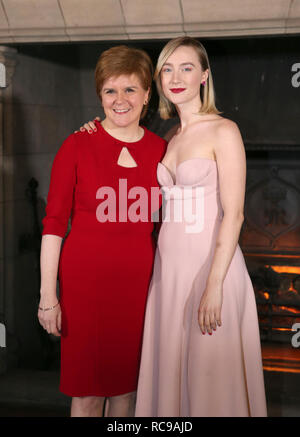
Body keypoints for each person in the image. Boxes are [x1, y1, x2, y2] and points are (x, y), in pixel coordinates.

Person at [81, 36, 267, 417]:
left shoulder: (223, 130)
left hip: (211, 273)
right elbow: (121, 150)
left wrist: (213, 286)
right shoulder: (168, 138)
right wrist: (93, 129)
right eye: (167, 68)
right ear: (160, 81)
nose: (176, 76)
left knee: (210, 383)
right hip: (168, 278)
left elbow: (234, 215)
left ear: (204, 76)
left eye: (186, 67)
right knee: (173, 382)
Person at [38, 45, 166, 417]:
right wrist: (49, 295)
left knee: (126, 392)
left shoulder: (162, 150)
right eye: (110, 90)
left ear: (146, 95)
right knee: (88, 394)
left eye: (130, 89)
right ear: (100, 96)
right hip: (84, 288)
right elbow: (53, 225)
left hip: (139, 288)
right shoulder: (77, 144)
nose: (120, 99)